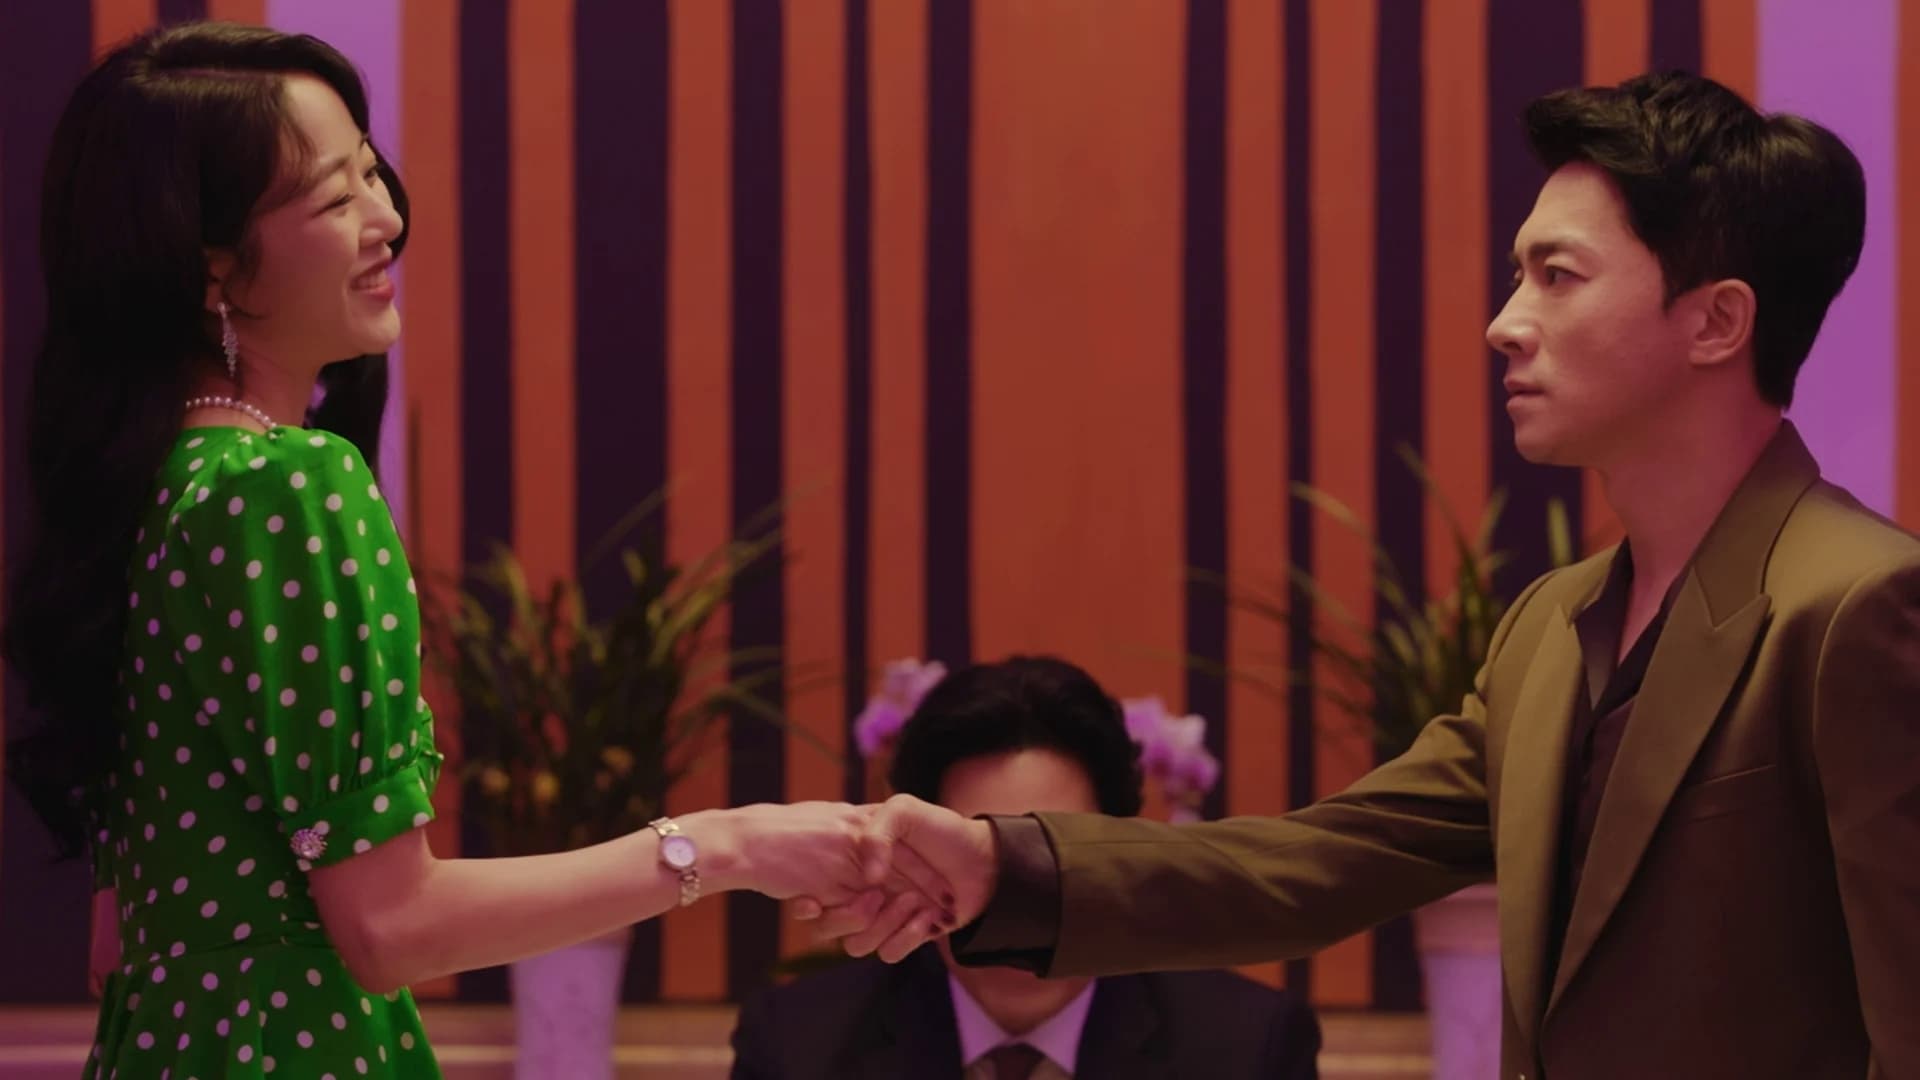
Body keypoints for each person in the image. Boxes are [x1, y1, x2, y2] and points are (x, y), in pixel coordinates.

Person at [811, 72, 1920, 1079]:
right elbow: (1323, 862)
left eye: (1557, 276)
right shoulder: (1549, 626)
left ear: (1718, 321)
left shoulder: (1860, 606)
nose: (1505, 324)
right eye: (1517, 276)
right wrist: (999, 867)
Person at [0, 23, 935, 1078]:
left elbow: (117, 942)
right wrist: (729, 846)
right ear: (210, 267)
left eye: (371, 174)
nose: (387, 221)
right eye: (334, 199)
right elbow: (391, 926)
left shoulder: (154, 488)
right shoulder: (285, 486)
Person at [732, 657, 1319, 1080]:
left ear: (1120, 858)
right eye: (980, 859)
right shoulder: (798, 1046)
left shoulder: (1250, 1049)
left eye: (1048, 860)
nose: (1014, 911)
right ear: (909, 859)